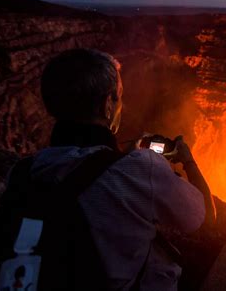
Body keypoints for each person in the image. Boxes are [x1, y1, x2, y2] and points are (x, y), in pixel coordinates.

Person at [32, 48, 215, 289]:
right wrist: (188, 160)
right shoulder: (140, 169)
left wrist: (119, 157)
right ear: (109, 104)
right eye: (119, 96)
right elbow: (205, 220)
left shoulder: (27, 169)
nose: (122, 105)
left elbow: (85, 167)